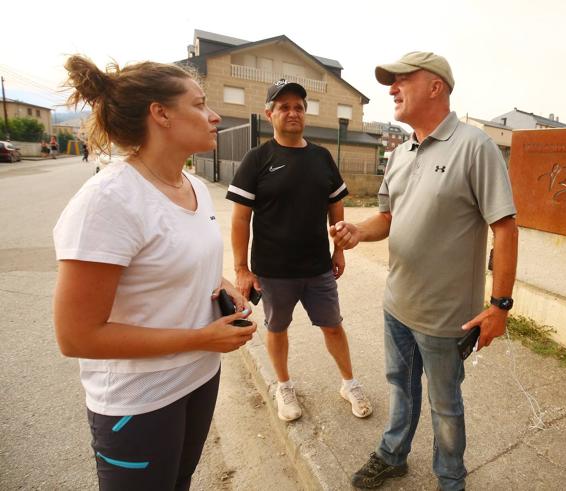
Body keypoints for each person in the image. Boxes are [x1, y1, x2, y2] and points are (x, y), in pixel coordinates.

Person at [53, 55, 256, 491]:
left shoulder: (194, 186)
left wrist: (219, 284)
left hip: (199, 377)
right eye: (200, 104)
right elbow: (77, 337)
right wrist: (201, 338)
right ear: (160, 113)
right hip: (139, 401)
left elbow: (173, 261)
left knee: (179, 482)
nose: (214, 115)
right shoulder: (108, 201)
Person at [330, 52, 518, 490]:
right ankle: (393, 454)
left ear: (436, 86)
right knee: (400, 387)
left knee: (445, 403)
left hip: (445, 317)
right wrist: (358, 230)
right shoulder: (399, 153)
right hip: (397, 303)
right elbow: (388, 219)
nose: (392, 89)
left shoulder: (475, 147)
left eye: (401, 80)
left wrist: (500, 307)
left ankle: (451, 478)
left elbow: (505, 229)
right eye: (390, 83)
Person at [226, 79, 372, 422]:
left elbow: (336, 205)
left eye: (298, 107)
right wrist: (241, 269)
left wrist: (339, 251)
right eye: (284, 107)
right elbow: (239, 220)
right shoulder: (257, 159)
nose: (293, 112)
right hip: (273, 271)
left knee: (333, 326)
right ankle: (284, 387)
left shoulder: (321, 157)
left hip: (318, 267)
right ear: (269, 114)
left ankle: (349, 383)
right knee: (277, 329)